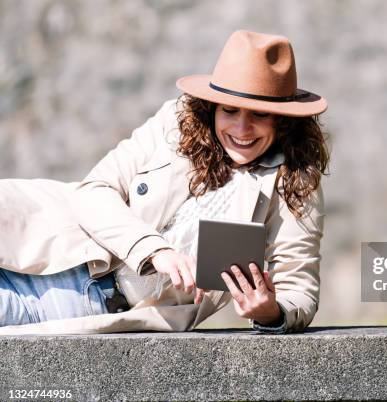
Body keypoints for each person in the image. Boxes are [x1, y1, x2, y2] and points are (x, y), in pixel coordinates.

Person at [0, 30, 328, 334]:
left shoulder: (295, 182)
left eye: (259, 114)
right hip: (42, 245)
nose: (241, 129)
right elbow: (94, 191)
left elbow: (298, 290)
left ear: (284, 121)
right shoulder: (174, 123)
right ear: (212, 107)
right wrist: (156, 251)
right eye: (229, 110)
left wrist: (270, 311)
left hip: (92, 310)